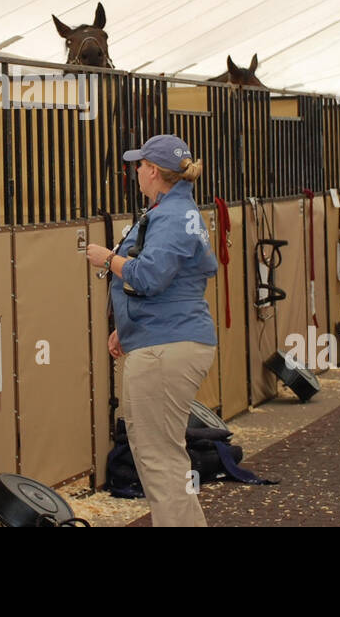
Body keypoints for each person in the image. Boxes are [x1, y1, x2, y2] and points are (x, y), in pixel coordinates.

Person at [85, 134, 218, 526]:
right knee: (163, 457)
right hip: (165, 336)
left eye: (140, 165)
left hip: (166, 345)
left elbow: (150, 275)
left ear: (154, 172)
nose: (136, 171)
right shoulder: (177, 211)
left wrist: (107, 258)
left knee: (159, 461)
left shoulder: (172, 215)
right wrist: (129, 329)